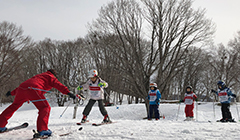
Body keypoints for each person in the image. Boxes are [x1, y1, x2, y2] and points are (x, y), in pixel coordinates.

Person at [0, 69, 76, 137]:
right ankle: (43, 129)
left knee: (13, 106)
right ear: (54, 75)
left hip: (21, 89)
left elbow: (24, 86)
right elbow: (59, 85)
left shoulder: (39, 76)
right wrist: (68, 93)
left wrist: (11, 93)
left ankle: (0, 125)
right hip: (33, 89)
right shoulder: (50, 77)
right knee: (45, 107)